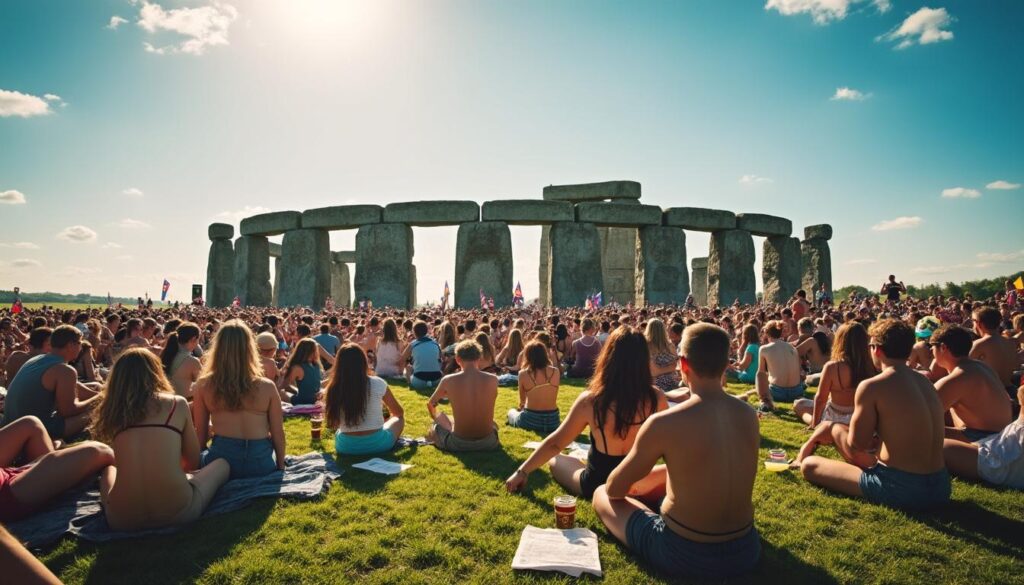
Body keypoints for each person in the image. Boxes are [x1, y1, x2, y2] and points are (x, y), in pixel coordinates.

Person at [590, 323, 761, 580]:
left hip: (685, 554)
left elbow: (615, 488)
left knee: (601, 493)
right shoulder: (749, 415)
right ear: (726, 363)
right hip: (747, 548)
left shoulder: (666, 423)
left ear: (683, 364)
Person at [800, 319, 951, 511]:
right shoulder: (926, 383)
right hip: (941, 486)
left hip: (901, 487)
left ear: (877, 350)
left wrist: (834, 430)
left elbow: (857, 445)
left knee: (810, 465)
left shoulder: (873, 386)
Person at [505, 327, 668, 498]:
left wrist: (522, 472)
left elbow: (556, 444)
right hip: (636, 482)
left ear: (608, 358)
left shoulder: (591, 401)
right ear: (643, 360)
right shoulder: (658, 398)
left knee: (556, 459)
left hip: (597, 484)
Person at [91, 348, 229, 531]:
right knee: (222, 464)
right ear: (156, 372)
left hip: (121, 519)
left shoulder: (114, 411)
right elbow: (193, 461)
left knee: (109, 470)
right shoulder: (175, 404)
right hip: (179, 510)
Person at [192, 320, 285, 479]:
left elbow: (200, 435)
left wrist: (203, 462)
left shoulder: (203, 385)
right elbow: (278, 434)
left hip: (221, 463)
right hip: (261, 464)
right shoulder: (267, 387)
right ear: (250, 349)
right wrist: (281, 468)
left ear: (218, 349)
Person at [0, 415, 113, 523]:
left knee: (30, 423)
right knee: (100, 451)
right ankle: (118, 500)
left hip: (5, 474)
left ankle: (49, 471)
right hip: (6, 494)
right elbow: (68, 409)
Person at [793, 322, 876, 465]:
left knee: (798, 404)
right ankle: (822, 427)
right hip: (858, 420)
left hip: (833, 417)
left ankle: (818, 426)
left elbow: (820, 399)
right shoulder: (871, 365)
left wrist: (814, 424)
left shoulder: (833, 367)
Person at [2, 325, 100, 439]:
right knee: (96, 411)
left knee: (95, 389)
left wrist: (101, 393)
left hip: (9, 426)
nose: (80, 348)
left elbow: (75, 388)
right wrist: (99, 399)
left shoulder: (37, 360)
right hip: (33, 432)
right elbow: (68, 411)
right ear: (70, 345)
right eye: (79, 343)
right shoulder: (64, 370)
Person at [930, 325, 1012, 441]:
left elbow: (921, 417)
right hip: (1003, 435)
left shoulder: (956, 379)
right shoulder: (981, 366)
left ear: (943, 347)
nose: (931, 351)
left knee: (924, 432)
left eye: (932, 346)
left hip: (986, 440)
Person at [327, 343, 406, 455]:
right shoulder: (378, 383)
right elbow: (398, 412)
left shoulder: (333, 387)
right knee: (399, 418)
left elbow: (334, 423)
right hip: (379, 444)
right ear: (363, 361)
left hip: (345, 447)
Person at [943, 385, 1024, 490]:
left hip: (1004, 458)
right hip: (1000, 445)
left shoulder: (964, 376)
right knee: (935, 440)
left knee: (935, 446)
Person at [426, 340, 500, 452]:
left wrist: (437, 418)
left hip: (459, 443)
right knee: (493, 423)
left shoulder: (448, 380)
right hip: (489, 442)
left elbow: (431, 404)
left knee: (435, 427)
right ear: (479, 358)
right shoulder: (493, 379)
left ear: (457, 359)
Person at [507, 341, 561, 434]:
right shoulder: (555, 372)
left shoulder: (523, 374)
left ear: (527, 356)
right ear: (544, 354)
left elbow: (522, 402)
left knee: (511, 412)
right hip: (553, 420)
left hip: (530, 420)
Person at [751, 320, 804, 412]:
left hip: (777, 392)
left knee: (760, 373)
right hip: (797, 391)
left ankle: (764, 401)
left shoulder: (764, 349)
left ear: (767, 333)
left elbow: (761, 373)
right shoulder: (792, 348)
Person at [970, 306, 1020, 396]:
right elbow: (1016, 365)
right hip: (1011, 389)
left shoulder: (979, 344)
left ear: (978, 323)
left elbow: (963, 368)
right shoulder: (1010, 342)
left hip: (993, 393)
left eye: (972, 321)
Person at [160, 322, 202, 399]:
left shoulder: (164, 354)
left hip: (167, 400)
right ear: (194, 339)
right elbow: (201, 385)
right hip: (186, 402)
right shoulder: (193, 361)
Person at [279, 338, 323, 405]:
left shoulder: (297, 367)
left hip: (303, 401)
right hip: (316, 398)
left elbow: (284, 385)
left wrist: (282, 373)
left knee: (280, 392)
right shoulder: (316, 365)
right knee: (295, 389)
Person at [404, 321, 443, 390]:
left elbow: (402, 359)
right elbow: (441, 358)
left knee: (408, 367)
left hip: (419, 380)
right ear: (427, 331)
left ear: (414, 332)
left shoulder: (412, 344)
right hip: (436, 380)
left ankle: (409, 383)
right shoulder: (435, 343)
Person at [645, 319, 681, 392]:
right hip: (672, 383)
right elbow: (674, 366)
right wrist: (669, 368)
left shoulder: (646, 346)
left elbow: (654, 372)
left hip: (655, 386)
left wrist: (659, 370)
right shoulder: (670, 345)